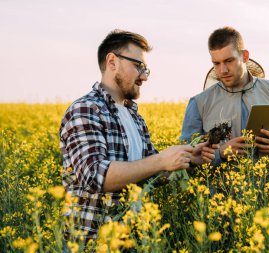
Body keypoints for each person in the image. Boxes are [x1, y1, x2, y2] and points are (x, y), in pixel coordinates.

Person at [59, 29, 216, 243]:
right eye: (139, 66)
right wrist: (161, 160)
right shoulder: (86, 110)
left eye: (146, 69)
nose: (144, 76)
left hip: (134, 241)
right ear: (112, 61)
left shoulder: (134, 117)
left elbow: (150, 173)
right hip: (94, 243)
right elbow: (95, 176)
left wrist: (189, 160)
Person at [180, 26, 269, 165]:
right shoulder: (199, 103)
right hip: (222, 187)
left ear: (245, 56)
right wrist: (221, 153)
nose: (223, 70)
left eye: (229, 61)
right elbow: (185, 160)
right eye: (216, 63)